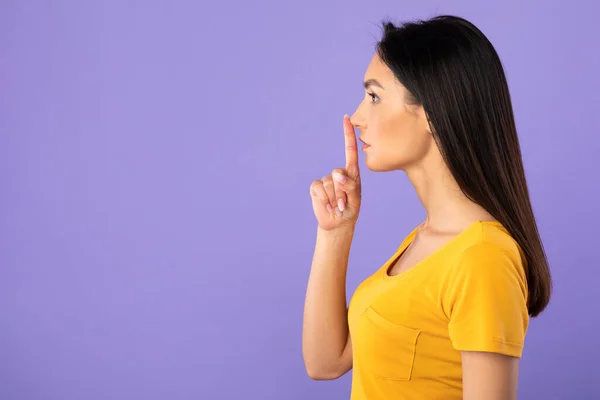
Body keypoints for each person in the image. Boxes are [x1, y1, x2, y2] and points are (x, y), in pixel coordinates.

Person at [302, 15, 552, 400]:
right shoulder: (425, 241)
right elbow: (325, 362)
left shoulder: (482, 257)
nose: (356, 118)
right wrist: (335, 232)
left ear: (433, 111)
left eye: (374, 96)